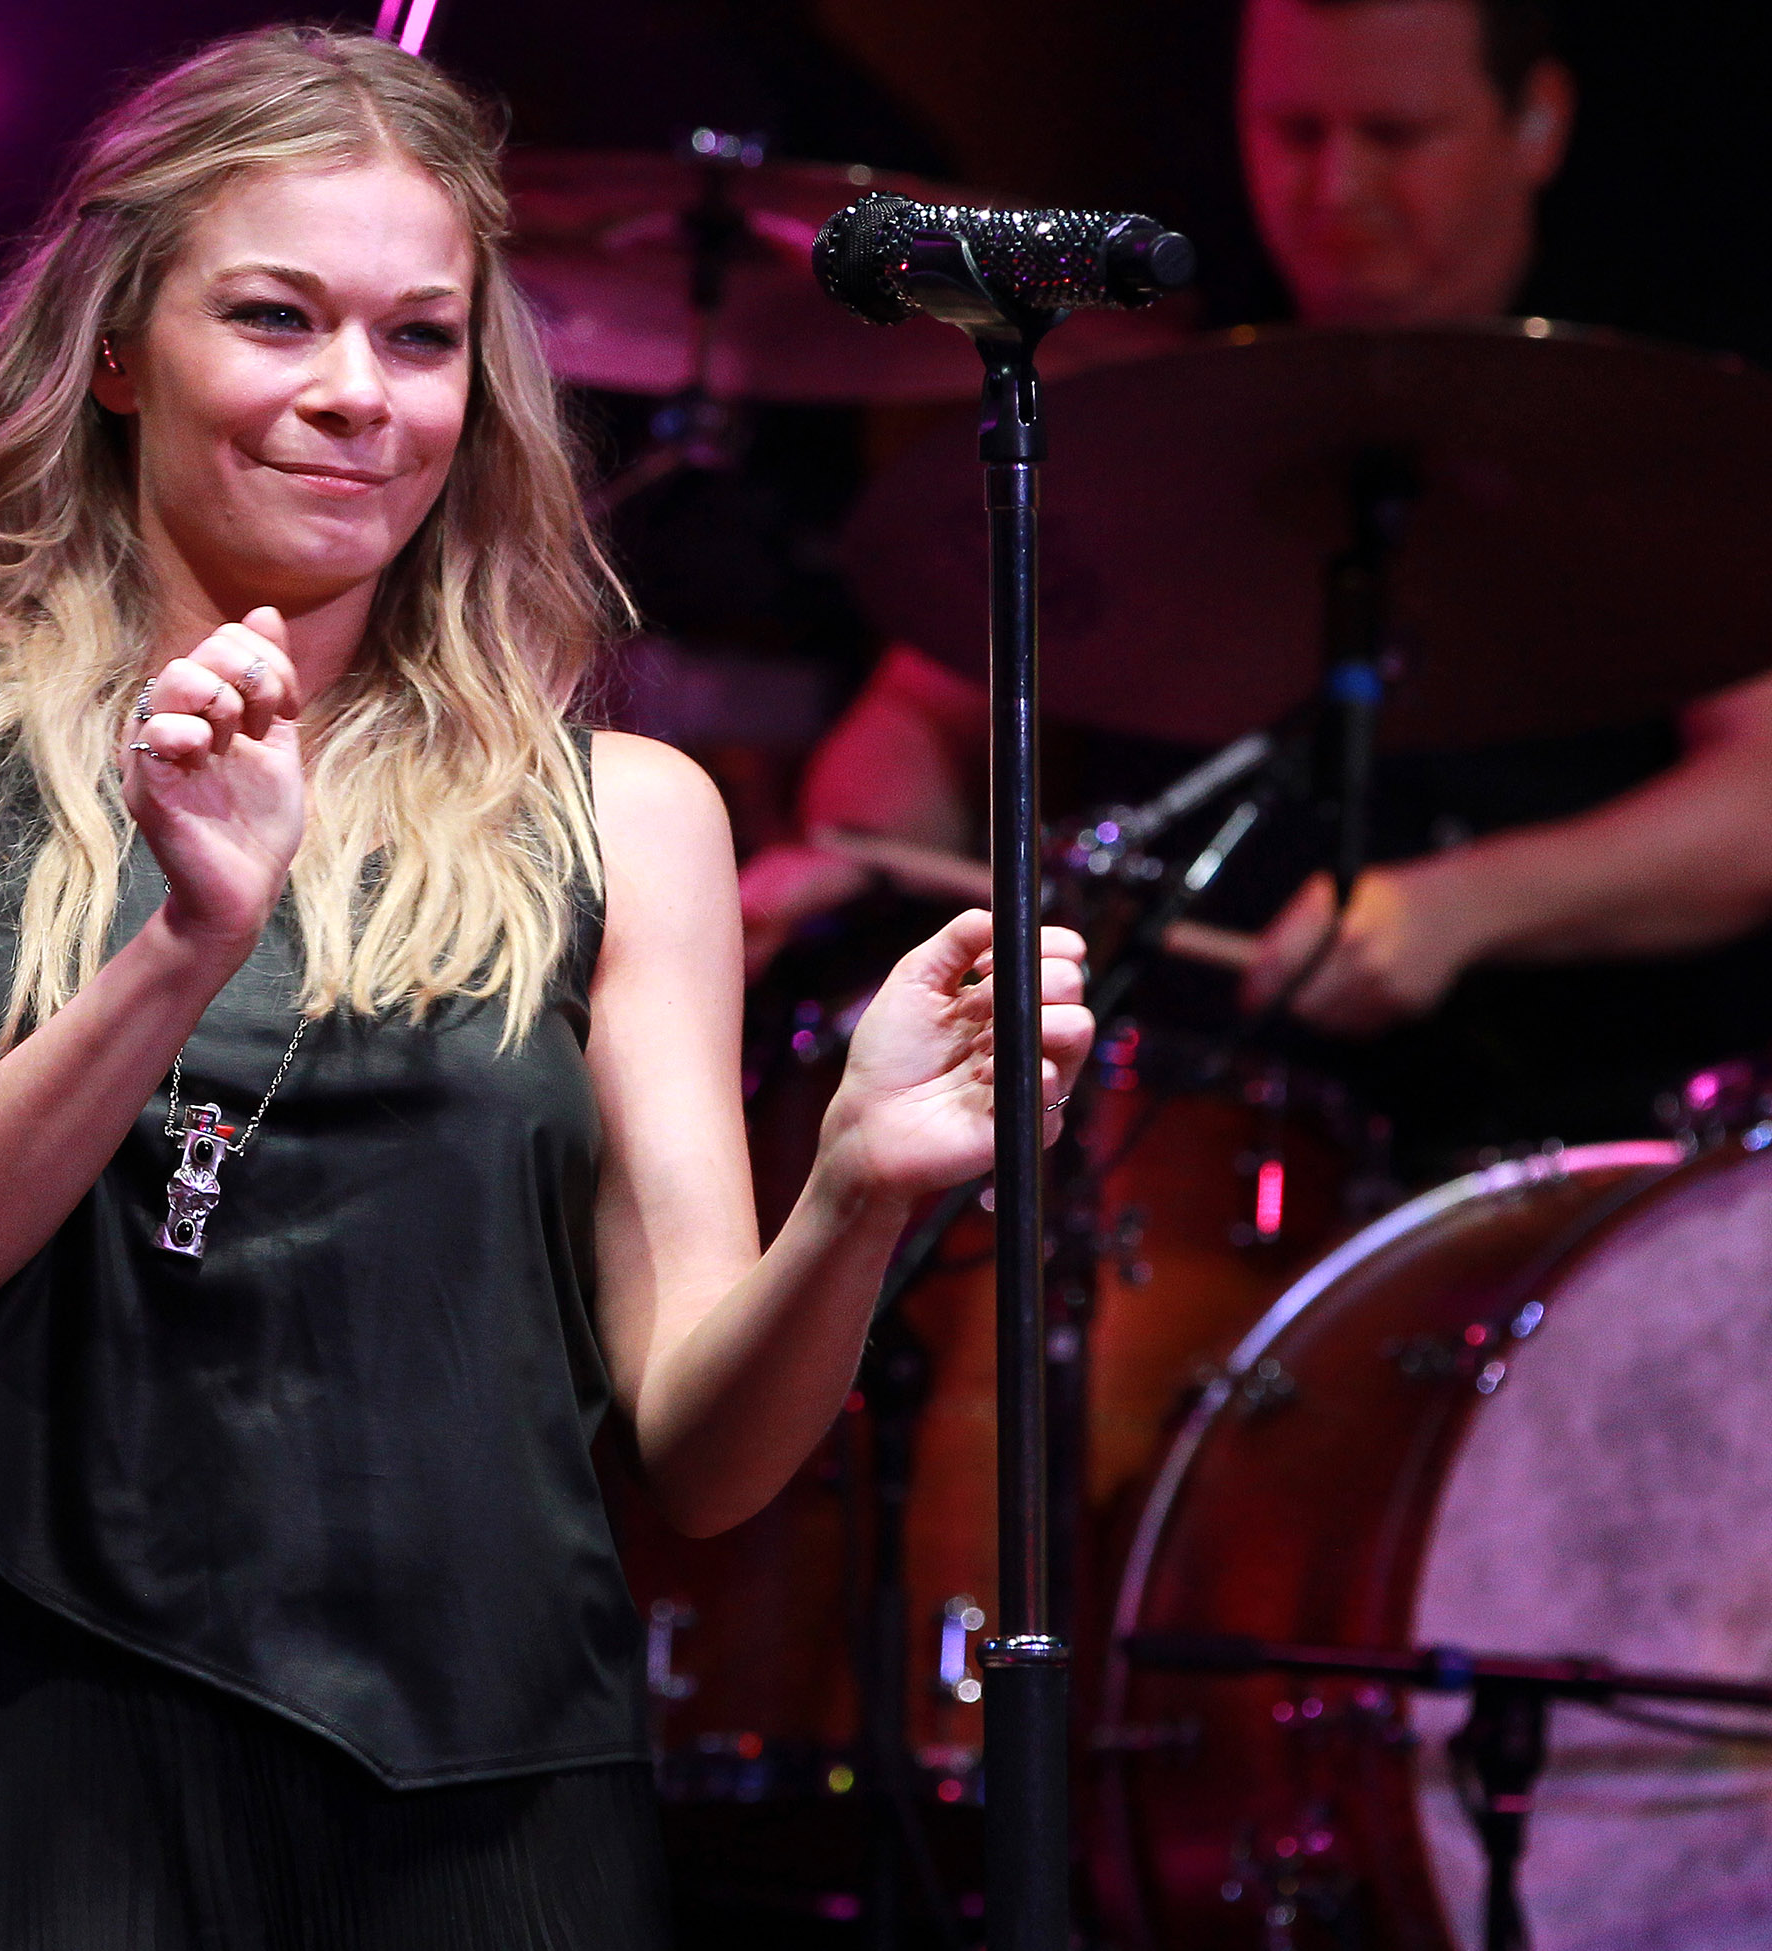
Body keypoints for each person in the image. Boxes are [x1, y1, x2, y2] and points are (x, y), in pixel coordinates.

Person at [0, 27, 1090, 1951]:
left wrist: (857, 1194)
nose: (358, 393)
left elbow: (703, 1457)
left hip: (506, 1793)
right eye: (276, 318)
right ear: (119, 343)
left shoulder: (627, 814)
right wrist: (181, 945)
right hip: (66, 1765)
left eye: (421, 337)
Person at [738, 0, 1772, 1162]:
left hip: (1558, 1143)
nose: (1335, 191)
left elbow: (1760, 798)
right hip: (1178, 1138)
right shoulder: (1160, 403)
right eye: (1293, 132)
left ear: (1536, 123)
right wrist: (854, 848)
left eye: (1395, 135)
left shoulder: (1652, 428)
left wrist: (1466, 904)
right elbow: (921, 720)